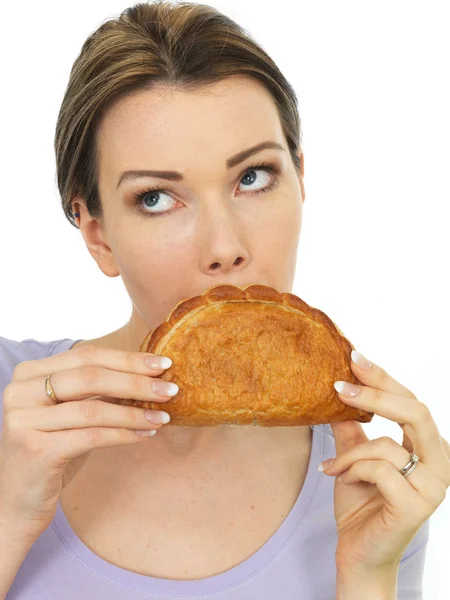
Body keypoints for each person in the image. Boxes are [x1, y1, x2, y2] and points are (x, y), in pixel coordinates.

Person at [0, 1, 434, 598]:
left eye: (252, 177)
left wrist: (369, 572)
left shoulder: (368, 477)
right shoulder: (12, 407)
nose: (225, 248)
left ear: (301, 181)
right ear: (96, 233)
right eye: (156, 197)